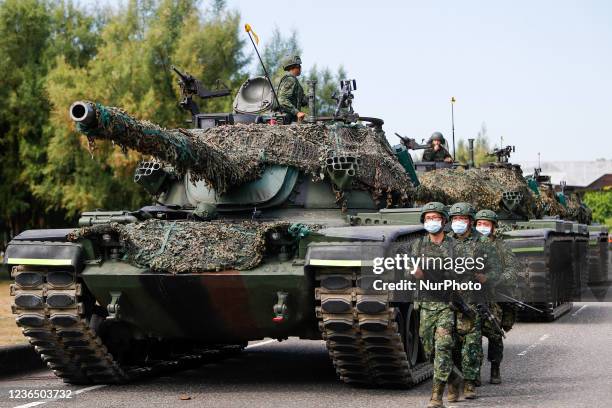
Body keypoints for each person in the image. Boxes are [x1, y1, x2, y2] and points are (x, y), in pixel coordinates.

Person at [404, 202, 462, 408]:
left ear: (444, 221)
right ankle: (454, 378)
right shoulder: (417, 245)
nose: (432, 221)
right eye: (428, 218)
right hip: (426, 305)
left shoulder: (454, 246)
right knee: (429, 351)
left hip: (447, 304)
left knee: (444, 346)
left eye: (435, 218)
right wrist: (414, 273)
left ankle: (436, 396)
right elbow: (408, 271)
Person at [474, 209, 520, 385]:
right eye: (479, 224)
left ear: (493, 227)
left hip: (493, 296)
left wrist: (496, 279)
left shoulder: (501, 247)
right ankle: (474, 372)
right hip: (473, 296)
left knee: (494, 333)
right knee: (473, 335)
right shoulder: (470, 244)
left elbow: (512, 270)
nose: (482, 227)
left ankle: (495, 368)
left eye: (486, 224)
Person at [446, 202, 483, 400]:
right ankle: (454, 382)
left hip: (471, 300)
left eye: (463, 219)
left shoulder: (482, 242)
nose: (459, 222)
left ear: (471, 221)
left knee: (471, 345)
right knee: (448, 345)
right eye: (456, 219)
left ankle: (469, 383)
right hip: (447, 299)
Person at [276, 55, 307, 123]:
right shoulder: (290, 80)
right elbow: (282, 100)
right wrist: (297, 113)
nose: (300, 68)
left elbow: (301, 101)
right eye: (299, 66)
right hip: (286, 119)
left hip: (291, 119)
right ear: (293, 67)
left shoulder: (294, 80)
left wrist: (308, 98)